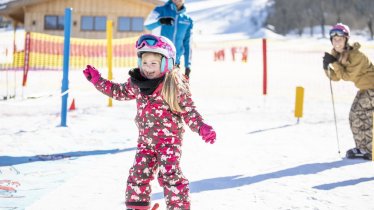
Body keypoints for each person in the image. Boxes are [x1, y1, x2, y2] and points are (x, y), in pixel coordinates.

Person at [83, 34, 216, 210]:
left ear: (166, 63)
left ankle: (179, 207)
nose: (148, 68)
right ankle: (137, 207)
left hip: (169, 142)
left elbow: (189, 111)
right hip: (145, 142)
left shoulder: (174, 84)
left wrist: (202, 127)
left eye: (154, 63)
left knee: (170, 175)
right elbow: (118, 92)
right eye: (145, 63)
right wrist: (98, 81)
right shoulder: (137, 83)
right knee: (138, 175)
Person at [323, 23, 374, 160]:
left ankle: (368, 150)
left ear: (346, 39)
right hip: (366, 88)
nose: (336, 42)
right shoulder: (337, 55)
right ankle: (363, 148)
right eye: (334, 39)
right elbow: (336, 77)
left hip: (372, 89)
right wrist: (326, 67)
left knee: (360, 116)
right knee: (354, 117)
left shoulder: (357, 56)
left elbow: (347, 76)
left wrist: (334, 63)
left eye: (340, 39)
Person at [144, 0, 193, 78]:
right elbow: (147, 25)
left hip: (175, 63)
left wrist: (188, 66)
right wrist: (160, 22)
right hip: (157, 60)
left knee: (173, 89)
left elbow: (187, 43)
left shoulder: (187, 20)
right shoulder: (160, 10)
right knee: (155, 89)